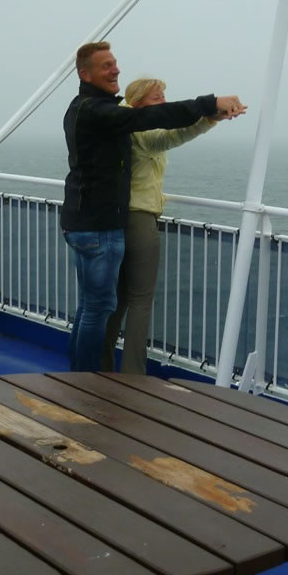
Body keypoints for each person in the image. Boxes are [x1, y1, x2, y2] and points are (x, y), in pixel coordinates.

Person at [61, 42, 245, 371]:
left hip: (94, 222)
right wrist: (209, 106)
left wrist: (208, 117)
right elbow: (162, 128)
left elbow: (159, 124)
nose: (115, 69)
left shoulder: (90, 109)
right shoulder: (102, 113)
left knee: (96, 305)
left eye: (115, 63)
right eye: (106, 66)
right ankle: (94, 379)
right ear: (85, 74)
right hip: (105, 225)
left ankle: (88, 374)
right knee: (111, 305)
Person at [100, 77, 227, 374]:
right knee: (140, 300)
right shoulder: (141, 131)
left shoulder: (124, 126)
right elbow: (171, 137)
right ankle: (132, 376)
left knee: (118, 300)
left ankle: (101, 368)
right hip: (140, 219)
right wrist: (208, 120)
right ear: (139, 103)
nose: (164, 102)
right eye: (157, 98)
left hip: (119, 217)